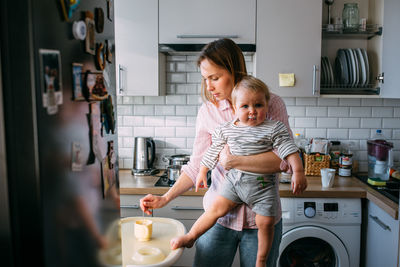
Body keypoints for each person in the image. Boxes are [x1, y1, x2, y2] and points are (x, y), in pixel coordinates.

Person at [140, 38, 308, 267]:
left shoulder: (268, 103)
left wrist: (233, 160)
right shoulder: (208, 111)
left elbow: (283, 160)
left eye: (215, 78)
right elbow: (197, 164)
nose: (208, 87)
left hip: (261, 220)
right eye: (205, 79)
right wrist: (165, 198)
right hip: (218, 220)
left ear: (234, 71)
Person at [170, 75, 305, 267]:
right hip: (234, 183)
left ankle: (261, 260)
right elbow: (213, 150)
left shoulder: (274, 128)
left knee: (266, 222)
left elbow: (289, 150)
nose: (252, 111)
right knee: (215, 210)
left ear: (267, 106)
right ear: (235, 108)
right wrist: (202, 172)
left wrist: (298, 171)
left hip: (262, 187)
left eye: (258, 105)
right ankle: (191, 236)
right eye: (245, 106)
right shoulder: (226, 129)